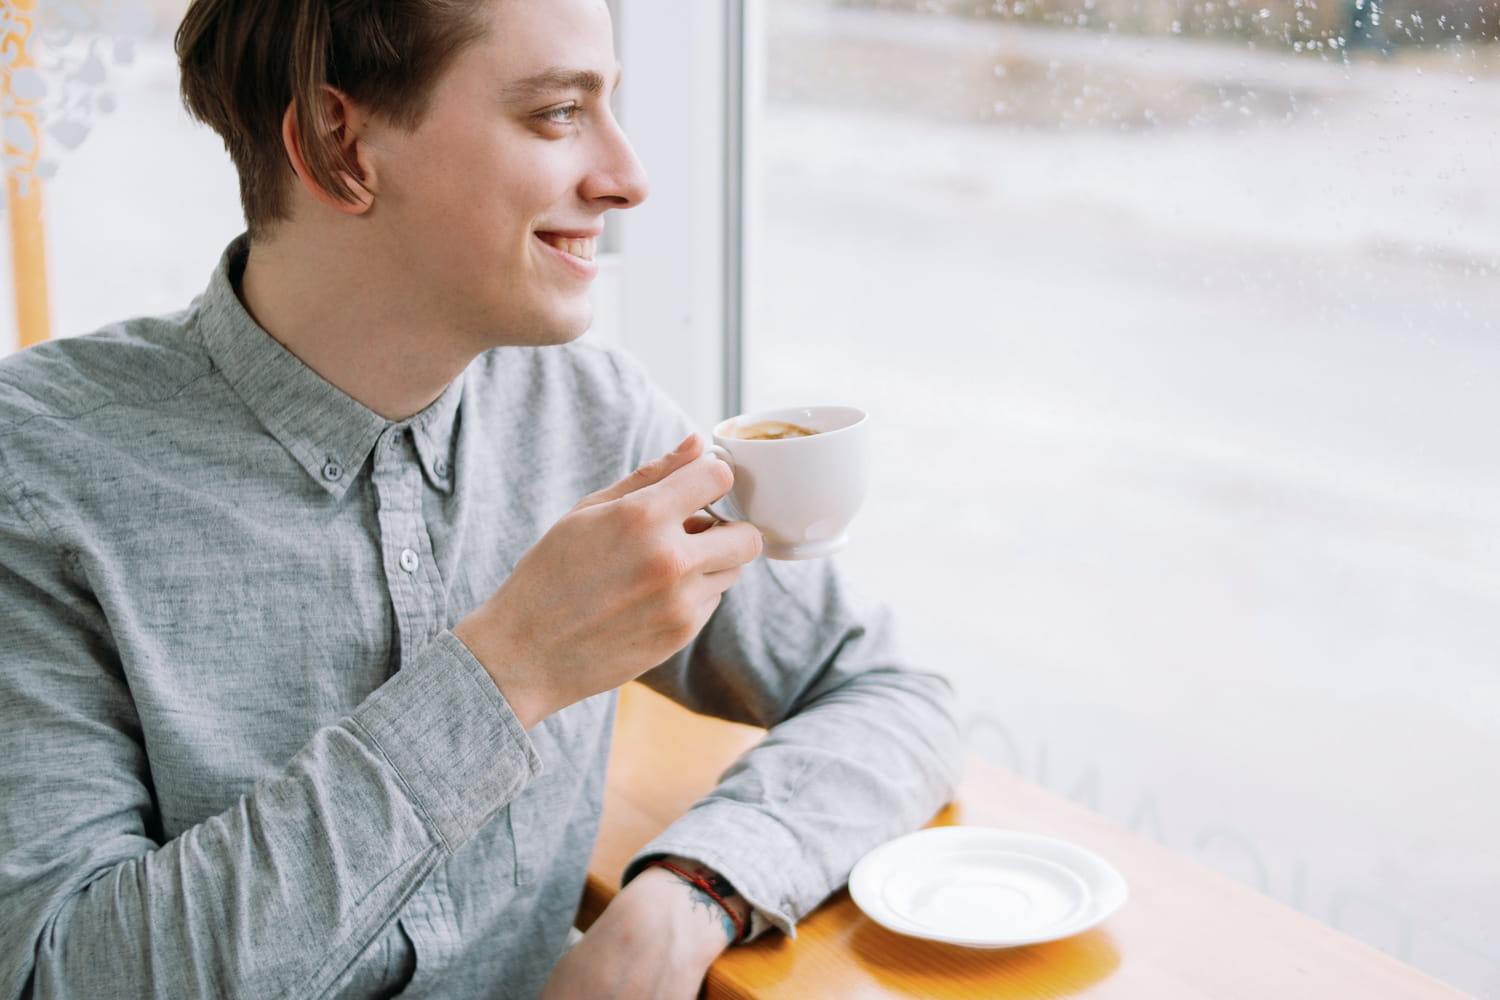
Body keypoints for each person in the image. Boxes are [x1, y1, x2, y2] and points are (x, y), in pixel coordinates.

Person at [0, 0, 961, 997]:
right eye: (557, 113)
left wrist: (684, 903)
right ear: (343, 145)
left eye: (610, 107)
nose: (627, 179)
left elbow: (889, 693)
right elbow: (56, 977)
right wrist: (507, 673)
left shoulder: (595, 418)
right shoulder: (36, 473)